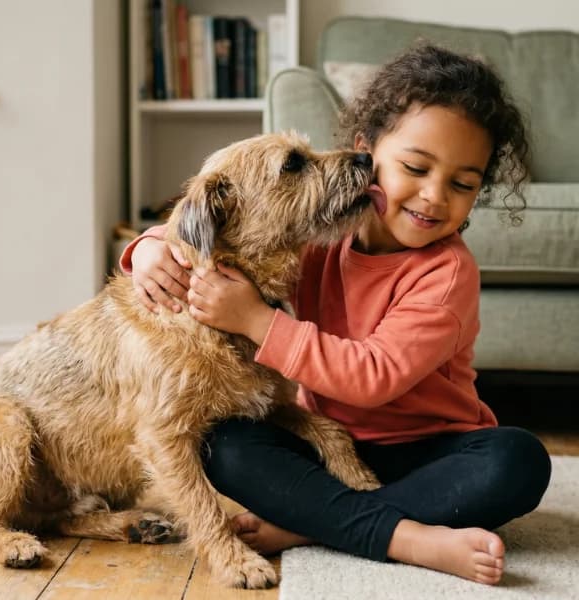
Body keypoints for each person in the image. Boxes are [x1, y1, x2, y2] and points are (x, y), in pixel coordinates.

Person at [119, 43, 551, 585]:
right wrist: (151, 248)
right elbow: (225, 226)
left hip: (426, 452)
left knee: (517, 460)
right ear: (367, 154)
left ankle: (326, 524)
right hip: (326, 444)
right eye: (415, 167)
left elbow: (373, 378)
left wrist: (257, 321)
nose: (434, 197)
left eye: (463, 185)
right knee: (223, 444)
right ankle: (388, 527)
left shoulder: (448, 275)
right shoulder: (319, 236)